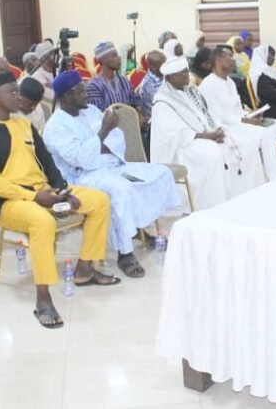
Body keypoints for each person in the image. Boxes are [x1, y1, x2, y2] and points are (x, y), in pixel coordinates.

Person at [0, 71, 117, 328]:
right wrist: (35, 197)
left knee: (99, 201)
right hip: (7, 202)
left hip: (43, 190)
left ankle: (84, 268)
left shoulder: (23, 124)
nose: (18, 97)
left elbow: (46, 161)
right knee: (42, 222)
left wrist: (62, 190)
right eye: (12, 92)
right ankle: (43, 298)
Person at [44, 70, 181, 278]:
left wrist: (102, 141)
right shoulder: (55, 127)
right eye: (80, 91)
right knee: (121, 190)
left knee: (160, 173)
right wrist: (102, 133)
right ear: (66, 96)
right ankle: (125, 253)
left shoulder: (90, 110)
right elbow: (81, 159)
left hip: (113, 164)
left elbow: (118, 138)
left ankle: (138, 228)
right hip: (83, 177)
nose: (86, 94)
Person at [152, 56, 264, 211]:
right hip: (183, 146)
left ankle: (243, 194)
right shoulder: (162, 101)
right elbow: (173, 135)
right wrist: (207, 136)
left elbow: (209, 113)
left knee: (246, 144)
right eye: (183, 73)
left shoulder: (191, 90)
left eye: (187, 71)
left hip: (206, 135)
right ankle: (213, 205)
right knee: (212, 153)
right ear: (170, 77)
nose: (187, 76)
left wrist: (217, 130)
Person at [200, 45, 276, 180]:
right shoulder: (208, 84)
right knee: (266, 134)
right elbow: (217, 116)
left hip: (240, 122)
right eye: (229, 57)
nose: (233, 60)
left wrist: (250, 114)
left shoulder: (230, 82)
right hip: (226, 127)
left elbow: (236, 109)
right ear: (219, 60)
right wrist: (244, 120)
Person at [86, 41, 142, 112]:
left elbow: (136, 101)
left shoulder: (124, 80)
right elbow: (98, 115)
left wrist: (139, 113)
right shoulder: (93, 86)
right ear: (103, 60)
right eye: (114, 56)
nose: (119, 58)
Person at [138, 49, 166, 120]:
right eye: (163, 64)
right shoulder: (150, 85)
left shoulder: (161, 75)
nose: (166, 66)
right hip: (156, 123)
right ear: (152, 66)